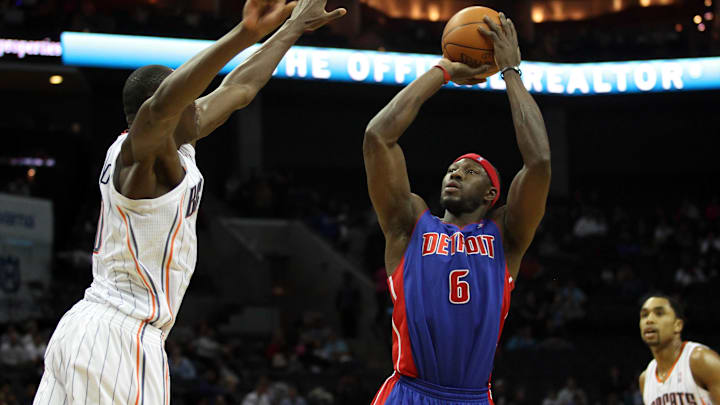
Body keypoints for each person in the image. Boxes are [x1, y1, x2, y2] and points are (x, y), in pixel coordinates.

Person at [32, 1, 345, 404]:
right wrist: (244, 33)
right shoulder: (138, 162)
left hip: (99, 332)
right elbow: (162, 106)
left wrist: (292, 28)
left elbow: (240, 89)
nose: (200, 105)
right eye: (191, 100)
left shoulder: (177, 146)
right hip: (116, 336)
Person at [364, 12, 551, 405]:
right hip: (408, 391)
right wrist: (442, 70)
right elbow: (378, 137)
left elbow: (539, 163)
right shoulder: (409, 223)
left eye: (469, 171)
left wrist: (511, 72)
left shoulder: (506, 236)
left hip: (470, 396)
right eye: (452, 169)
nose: (455, 173)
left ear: (491, 196)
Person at [638, 294, 720, 404]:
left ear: (678, 325)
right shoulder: (645, 379)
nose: (649, 320)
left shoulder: (700, 360)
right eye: (644, 315)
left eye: (659, 313)